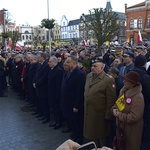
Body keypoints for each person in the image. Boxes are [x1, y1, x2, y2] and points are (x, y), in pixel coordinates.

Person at [84, 58, 116, 148]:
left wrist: (108, 115)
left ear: (102, 68)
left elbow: (111, 100)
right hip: (90, 112)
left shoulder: (108, 80)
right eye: (92, 66)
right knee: (92, 137)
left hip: (100, 115)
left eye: (95, 66)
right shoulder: (89, 76)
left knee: (101, 138)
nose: (92, 68)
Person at [112, 71, 144, 150]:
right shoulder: (124, 92)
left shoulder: (138, 97)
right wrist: (114, 109)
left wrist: (119, 115)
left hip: (131, 131)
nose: (124, 81)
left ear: (133, 83)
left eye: (126, 80)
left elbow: (134, 117)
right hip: (121, 129)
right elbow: (117, 105)